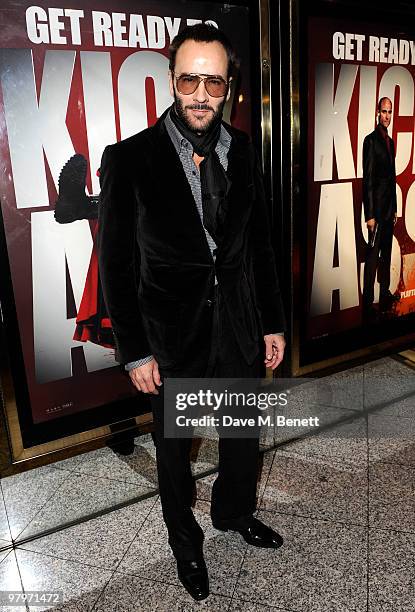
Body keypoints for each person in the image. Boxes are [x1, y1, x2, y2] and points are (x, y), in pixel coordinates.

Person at [98, 24, 286, 601]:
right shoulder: (129, 159)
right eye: (189, 78)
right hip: (169, 333)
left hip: (237, 323)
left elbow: (259, 246)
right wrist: (135, 350)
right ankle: (186, 541)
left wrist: (272, 321)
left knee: (240, 434)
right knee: (174, 451)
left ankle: (232, 513)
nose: (200, 93)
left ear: (228, 87)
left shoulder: (246, 151)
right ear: (172, 80)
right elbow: (117, 266)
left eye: (213, 80)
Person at [362, 96, 398, 318]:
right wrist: (370, 215)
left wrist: (394, 209)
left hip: (388, 211)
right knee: (373, 257)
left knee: (386, 255)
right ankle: (367, 304)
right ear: (378, 112)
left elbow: (391, 178)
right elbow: (368, 179)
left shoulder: (390, 142)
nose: (387, 116)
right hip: (376, 212)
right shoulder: (371, 141)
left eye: (390, 112)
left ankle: (384, 294)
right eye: (384, 111)